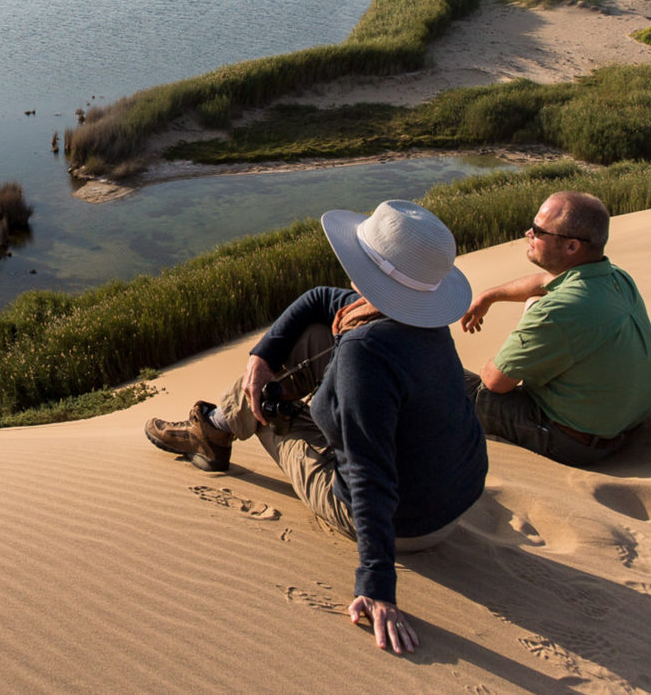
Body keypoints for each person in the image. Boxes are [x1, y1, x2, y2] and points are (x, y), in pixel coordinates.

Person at [144, 200, 487, 656]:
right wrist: (262, 355)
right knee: (305, 341)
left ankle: (213, 431)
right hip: (448, 503)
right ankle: (217, 425)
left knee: (262, 403)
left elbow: (370, 476)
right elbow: (319, 299)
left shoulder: (366, 352)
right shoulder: (418, 319)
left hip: (405, 525)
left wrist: (377, 584)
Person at [459, 191, 651, 465]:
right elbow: (544, 281)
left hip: (573, 441)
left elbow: (496, 383)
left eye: (539, 231)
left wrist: (503, 355)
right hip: (619, 425)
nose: (528, 232)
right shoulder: (615, 278)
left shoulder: (559, 310)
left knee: (452, 381)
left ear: (572, 247)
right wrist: (489, 296)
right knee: (536, 298)